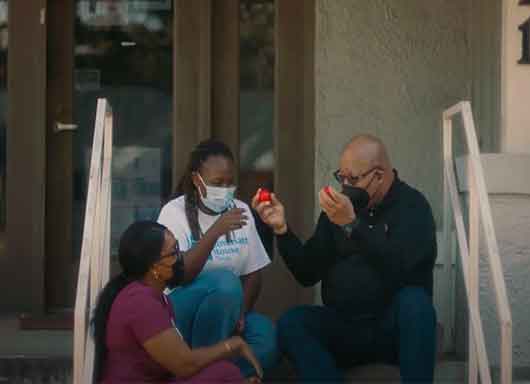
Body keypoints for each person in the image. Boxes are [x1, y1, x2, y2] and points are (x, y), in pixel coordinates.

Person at [252, 134, 438, 383]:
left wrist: (353, 226)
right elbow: (307, 272)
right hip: (345, 326)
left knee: (416, 303)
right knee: (292, 323)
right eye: (342, 177)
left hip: (391, 330)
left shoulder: (412, 206)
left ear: (379, 176)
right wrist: (282, 230)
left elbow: (406, 271)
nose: (345, 186)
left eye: (353, 179)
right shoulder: (338, 210)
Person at [157, 139, 277, 379]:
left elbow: (253, 274)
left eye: (229, 182)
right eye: (216, 183)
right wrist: (215, 231)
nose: (225, 188)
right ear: (196, 180)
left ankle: (214, 375)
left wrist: (240, 312)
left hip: (227, 315)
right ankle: (206, 375)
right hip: (179, 313)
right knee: (225, 282)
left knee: (265, 336)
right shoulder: (174, 213)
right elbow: (178, 275)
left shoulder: (240, 209)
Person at [92, 221, 263, 383]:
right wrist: (231, 346)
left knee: (224, 372)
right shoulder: (140, 302)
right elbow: (184, 365)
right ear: (154, 268)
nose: (180, 257)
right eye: (173, 253)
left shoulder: (157, 297)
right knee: (225, 373)